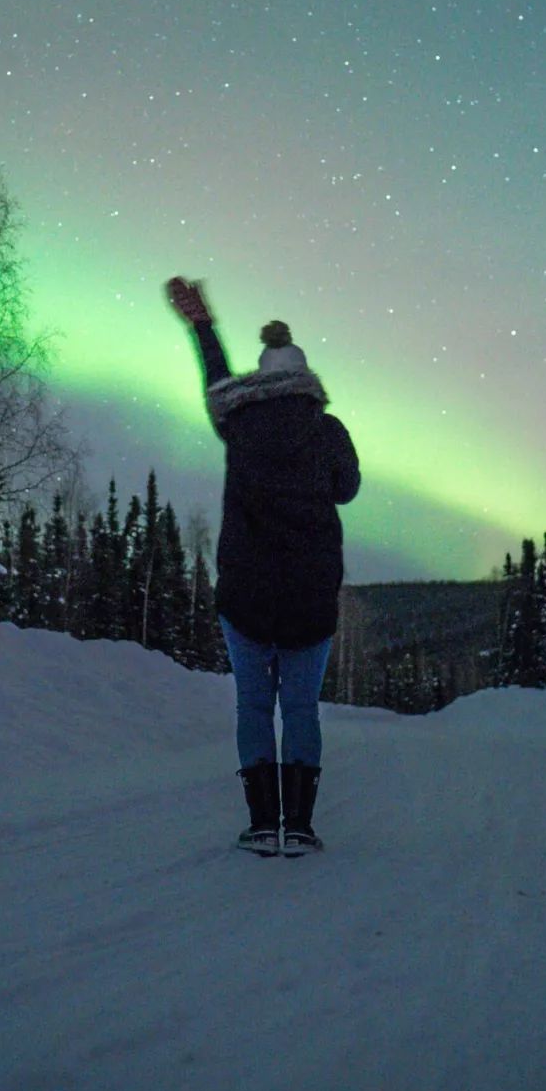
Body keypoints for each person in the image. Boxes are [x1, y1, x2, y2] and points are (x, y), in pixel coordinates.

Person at [165, 276, 361, 856]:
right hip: (309, 597)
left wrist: (202, 325)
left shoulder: (239, 423)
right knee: (299, 709)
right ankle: (297, 826)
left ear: (263, 379)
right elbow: (347, 490)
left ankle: (260, 825)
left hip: (246, 596)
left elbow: (217, 381)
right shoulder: (328, 431)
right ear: (305, 381)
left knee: (253, 706)